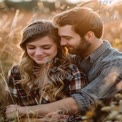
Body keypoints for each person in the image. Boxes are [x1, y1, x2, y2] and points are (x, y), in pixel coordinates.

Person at [5, 19, 88, 121]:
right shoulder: (16, 72)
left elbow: (82, 115)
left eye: (46, 47)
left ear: (58, 46)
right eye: (31, 47)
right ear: (25, 48)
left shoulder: (72, 72)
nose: (38, 53)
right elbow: (9, 113)